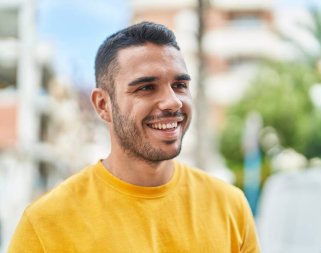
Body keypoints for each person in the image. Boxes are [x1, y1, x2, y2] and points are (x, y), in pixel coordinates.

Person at [8, 21, 261, 253]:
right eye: (146, 88)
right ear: (102, 105)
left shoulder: (230, 207)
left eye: (180, 85)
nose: (172, 101)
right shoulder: (45, 224)